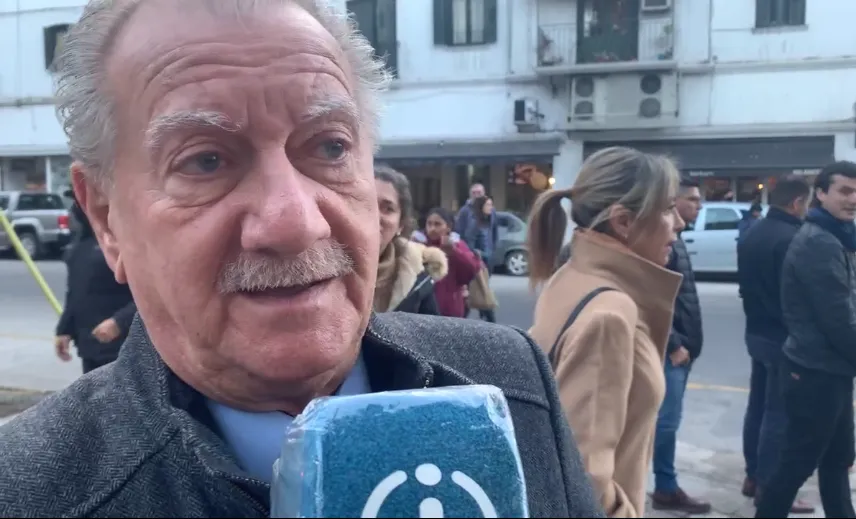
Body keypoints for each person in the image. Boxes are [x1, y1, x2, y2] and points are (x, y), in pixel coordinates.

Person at [0, 1, 604, 517]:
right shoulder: (25, 492)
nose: (295, 223)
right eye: (206, 160)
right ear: (106, 217)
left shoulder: (510, 381)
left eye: (330, 147)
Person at [528, 146, 684, 518]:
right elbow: (585, 479)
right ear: (623, 221)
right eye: (667, 209)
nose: (679, 222)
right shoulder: (610, 316)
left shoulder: (571, 276)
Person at [756, 162, 856, 518]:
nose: (853, 199)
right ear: (822, 193)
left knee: (838, 459)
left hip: (833, 369)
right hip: (815, 372)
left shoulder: (838, 236)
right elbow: (838, 319)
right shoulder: (819, 242)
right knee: (796, 464)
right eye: (845, 191)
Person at [738, 176, 814, 514]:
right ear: (797, 203)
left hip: (756, 330)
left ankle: (753, 476)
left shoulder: (753, 232)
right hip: (783, 336)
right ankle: (768, 486)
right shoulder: (792, 238)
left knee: (758, 406)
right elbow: (796, 296)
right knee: (778, 414)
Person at [651, 178, 710, 514]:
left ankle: (665, 484)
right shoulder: (663, 241)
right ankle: (665, 486)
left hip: (683, 347)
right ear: (674, 202)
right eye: (693, 200)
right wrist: (674, 344)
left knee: (667, 421)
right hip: (671, 350)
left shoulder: (678, 239)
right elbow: (653, 296)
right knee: (665, 423)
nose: (699, 206)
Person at [55, 198, 137, 374]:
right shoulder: (80, 246)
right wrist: (64, 329)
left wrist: (119, 322)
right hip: (90, 347)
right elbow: (75, 292)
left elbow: (153, 296)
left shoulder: (128, 243)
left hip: (125, 347)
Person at [373, 165, 444, 315]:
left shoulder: (417, 277)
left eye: (388, 209)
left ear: (401, 224)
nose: (375, 216)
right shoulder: (325, 268)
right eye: (367, 203)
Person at [423, 207, 482, 317]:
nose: (432, 228)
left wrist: (454, 252)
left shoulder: (457, 245)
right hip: (423, 311)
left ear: (448, 227)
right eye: (429, 224)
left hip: (449, 310)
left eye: (437, 224)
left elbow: (471, 271)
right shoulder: (421, 245)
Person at [463, 195, 499, 323]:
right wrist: (478, 254)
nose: (491, 207)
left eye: (491, 205)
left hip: (487, 263)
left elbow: (493, 237)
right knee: (481, 292)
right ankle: (491, 321)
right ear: (481, 206)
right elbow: (469, 243)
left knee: (479, 292)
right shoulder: (475, 222)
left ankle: (483, 316)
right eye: (488, 205)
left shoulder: (488, 221)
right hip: (478, 264)